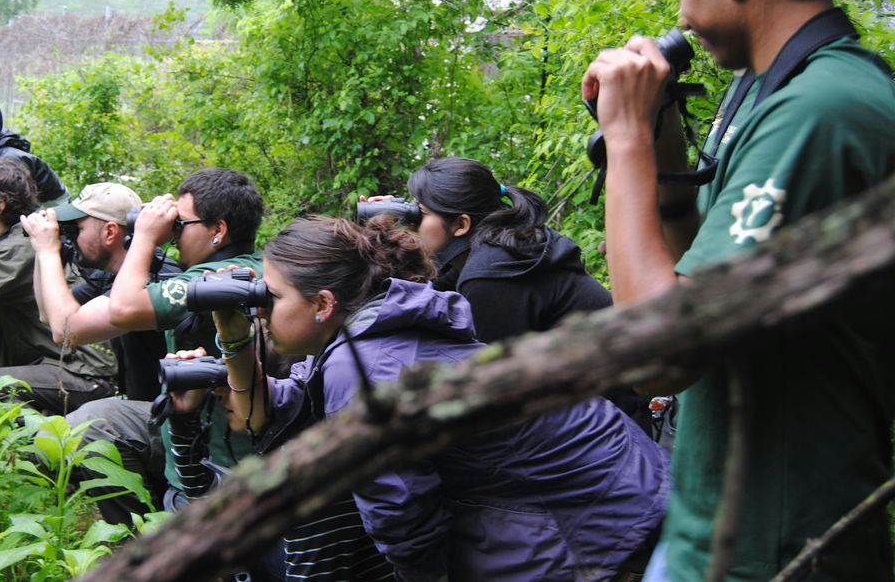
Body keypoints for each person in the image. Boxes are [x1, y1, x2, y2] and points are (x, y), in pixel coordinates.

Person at [581, 0, 895, 581]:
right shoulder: (767, 94)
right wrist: (658, 154)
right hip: (716, 534)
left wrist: (624, 140)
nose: (681, 15)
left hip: (780, 549)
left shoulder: (823, 111)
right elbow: (701, 276)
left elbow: (660, 350)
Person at [214, 217, 669, 581]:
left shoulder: (363, 365)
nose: (261, 309)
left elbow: (401, 510)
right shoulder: (371, 329)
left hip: (598, 520)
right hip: (625, 487)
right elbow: (286, 409)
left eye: (270, 297)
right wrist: (233, 342)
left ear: (323, 303)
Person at [41, 168, 265, 524]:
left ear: (218, 231)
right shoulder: (258, 266)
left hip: (217, 447)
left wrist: (144, 236)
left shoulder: (206, 282)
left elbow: (122, 307)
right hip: (226, 428)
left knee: (95, 424)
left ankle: (140, 542)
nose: (174, 235)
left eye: (182, 224)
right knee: (103, 418)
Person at [398, 158, 650, 428]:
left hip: (613, 422)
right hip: (612, 404)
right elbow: (425, 291)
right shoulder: (504, 245)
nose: (412, 220)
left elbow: (494, 390)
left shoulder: (491, 274)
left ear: (461, 225)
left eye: (420, 212)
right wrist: (388, 233)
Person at [0, 158, 117, 415]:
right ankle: (34, 447)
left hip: (84, 374)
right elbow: (25, 325)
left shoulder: (21, 248)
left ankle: (35, 452)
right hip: (64, 363)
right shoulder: (13, 241)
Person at [22, 181, 178, 402]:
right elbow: (48, 314)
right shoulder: (118, 273)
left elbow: (65, 331)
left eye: (77, 229)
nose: (71, 238)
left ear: (110, 233)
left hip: (168, 418)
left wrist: (48, 253)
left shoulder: (156, 279)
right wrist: (43, 248)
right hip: (142, 404)